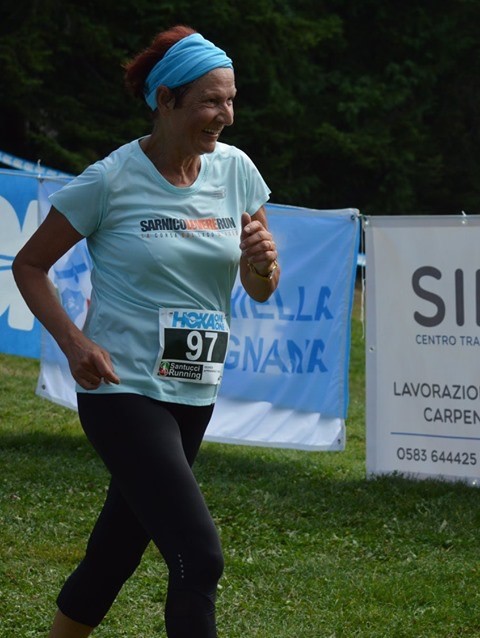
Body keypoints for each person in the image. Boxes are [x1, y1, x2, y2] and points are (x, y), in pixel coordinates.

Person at [13, 24, 279, 638]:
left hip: (195, 389)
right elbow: (29, 265)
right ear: (166, 100)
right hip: (122, 389)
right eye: (211, 101)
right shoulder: (110, 179)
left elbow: (262, 284)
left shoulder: (237, 171)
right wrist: (74, 343)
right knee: (199, 556)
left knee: (115, 552)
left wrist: (262, 264)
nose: (226, 115)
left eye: (231, 100)